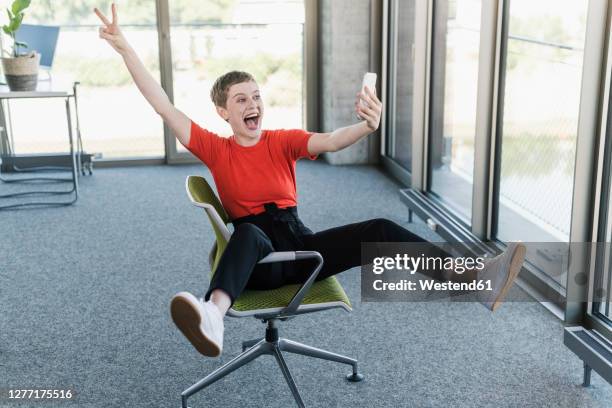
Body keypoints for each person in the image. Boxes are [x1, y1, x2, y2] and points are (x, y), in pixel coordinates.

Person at [95, 3, 526, 358]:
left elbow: (333, 140)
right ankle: (213, 314)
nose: (253, 104)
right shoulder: (215, 148)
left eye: (256, 96)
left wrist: (366, 128)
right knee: (247, 232)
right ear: (223, 113)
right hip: (259, 263)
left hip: (301, 251)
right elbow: (164, 106)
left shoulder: (282, 141)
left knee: (378, 228)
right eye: (240, 99)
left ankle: (474, 282)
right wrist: (125, 49)